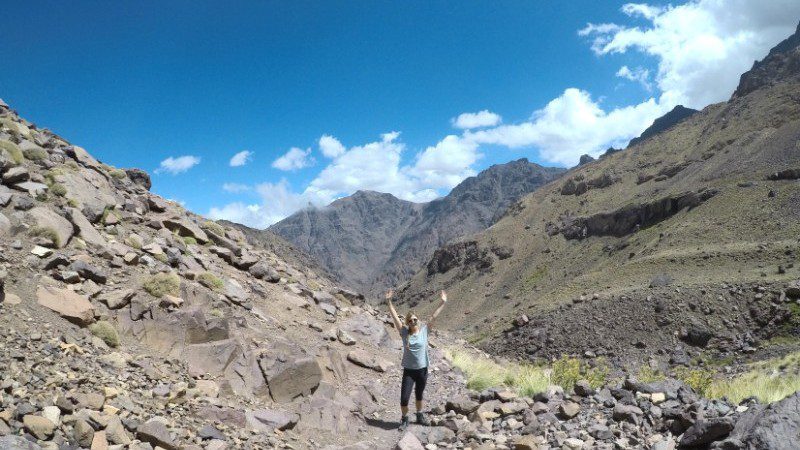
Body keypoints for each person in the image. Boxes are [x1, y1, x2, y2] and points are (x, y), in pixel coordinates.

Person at [386, 288, 448, 431]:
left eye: (415, 319)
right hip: (409, 371)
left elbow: (434, 317)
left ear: (418, 320)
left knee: (419, 395)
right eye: (411, 320)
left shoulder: (425, 331)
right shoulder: (404, 332)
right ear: (408, 322)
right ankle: (405, 418)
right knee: (404, 399)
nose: (413, 321)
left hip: (422, 370)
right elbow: (395, 318)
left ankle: (419, 415)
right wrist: (389, 302)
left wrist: (442, 303)